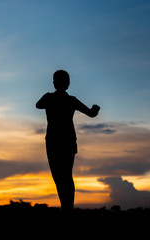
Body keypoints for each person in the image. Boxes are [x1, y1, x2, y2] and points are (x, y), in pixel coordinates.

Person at [36, 70, 100, 213]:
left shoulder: (50, 98)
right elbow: (92, 113)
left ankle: (67, 209)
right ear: (68, 83)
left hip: (55, 141)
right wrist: (96, 108)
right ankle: (67, 208)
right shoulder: (71, 100)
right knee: (65, 176)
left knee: (60, 176)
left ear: (54, 83)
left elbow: (38, 105)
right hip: (65, 141)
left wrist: (50, 99)